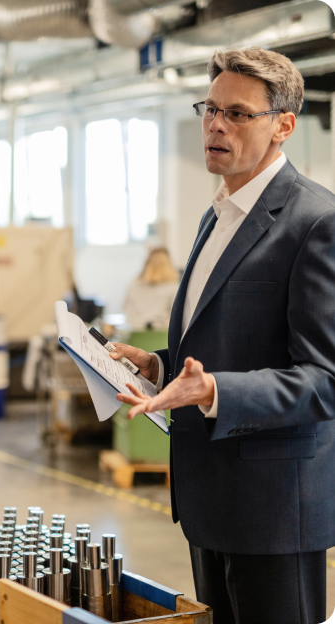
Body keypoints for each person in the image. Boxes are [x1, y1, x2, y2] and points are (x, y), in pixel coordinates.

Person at [111, 47, 335, 623]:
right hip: (210, 498)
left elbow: (324, 380)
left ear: (284, 126)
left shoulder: (316, 222)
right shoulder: (219, 214)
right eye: (209, 109)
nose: (214, 125)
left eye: (236, 113)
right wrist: (159, 367)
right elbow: (222, 344)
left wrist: (213, 392)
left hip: (274, 506)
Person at [123, 247, 179, 330]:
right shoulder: (173, 287)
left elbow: (125, 307)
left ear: (147, 262)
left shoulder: (134, 284)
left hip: (135, 335)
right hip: (161, 336)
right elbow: (176, 316)